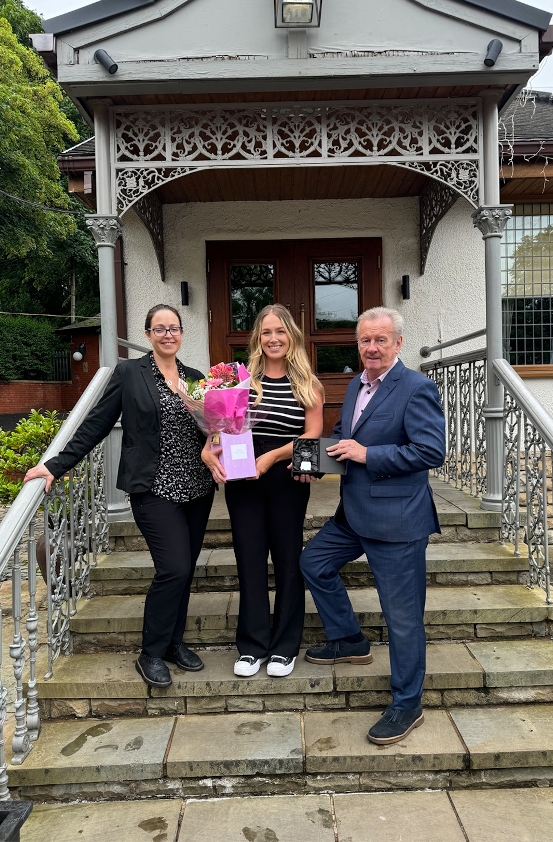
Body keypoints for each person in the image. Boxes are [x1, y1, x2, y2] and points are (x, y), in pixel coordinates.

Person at [24, 304, 215, 689]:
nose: (167, 334)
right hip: (154, 489)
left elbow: (211, 429)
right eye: (158, 328)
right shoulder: (129, 373)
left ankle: (174, 643)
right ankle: (150, 654)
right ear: (147, 334)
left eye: (173, 328)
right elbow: (97, 423)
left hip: (197, 487)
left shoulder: (196, 378)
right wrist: (56, 465)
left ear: (181, 333)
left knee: (186, 570)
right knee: (173, 568)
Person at [299, 307, 445, 745]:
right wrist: (312, 462)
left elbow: (430, 451)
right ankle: (349, 640)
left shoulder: (416, 388)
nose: (372, 348)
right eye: (365, 340)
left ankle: (407, 703)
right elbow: (345, 436)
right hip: (354, 515)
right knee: (313, 562)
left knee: (402, 621)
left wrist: (369, 456)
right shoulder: (356, 385)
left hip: (398, 522)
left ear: (398, 343)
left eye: (381, 340)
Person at [202, 304, 324, 678]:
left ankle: (285, 647)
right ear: (257, 338)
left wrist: (271, 457)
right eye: (266, 332)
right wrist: (210, 445)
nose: (274, 339)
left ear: (293, 337)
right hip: (243, 481)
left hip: (285, 479)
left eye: (281, 332)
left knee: (288, 560)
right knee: (249, 560)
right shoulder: (240, 381)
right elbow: (222, 428)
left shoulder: (309, 384)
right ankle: (253, 646)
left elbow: (313, 434)